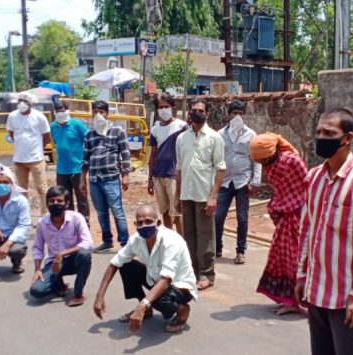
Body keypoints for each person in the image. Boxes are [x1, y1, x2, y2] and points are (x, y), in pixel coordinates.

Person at [294, 108, 353, 355]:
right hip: (315, 291)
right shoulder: (314, 178)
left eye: (329, 133)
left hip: (344, 297)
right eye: (319, 131)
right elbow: (307, 231)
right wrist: (301, 276)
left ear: (348, 138)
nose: (321, 137)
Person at [92, 204, 197, 334]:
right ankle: (147, 309)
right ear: (135, 224)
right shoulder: (136, 239)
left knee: (163, 301)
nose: (144, 226)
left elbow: (166, 280)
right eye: (140, 223)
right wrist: (99, 297)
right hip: (156, 279)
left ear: (158, 223)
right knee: (126, 266)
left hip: (180, 285)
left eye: (148, 221)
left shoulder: (171, 241)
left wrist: (141, 305)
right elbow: (115, 263)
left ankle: (182, 309)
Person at [249, 133, 308, 315]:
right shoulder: (271, 163)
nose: (261, 163)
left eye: (262, 159)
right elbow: (279, 190)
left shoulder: (292, 161)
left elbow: (306, 187)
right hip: (284, 215)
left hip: (299, 215)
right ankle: (289, 299)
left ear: (270, 152)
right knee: (281, 257)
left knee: (296, 259)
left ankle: (300, 300)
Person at [175, 99, 226, 290]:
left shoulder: (214, 138)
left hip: (205, 195)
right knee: (189, 236)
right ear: (189, 112)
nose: (197, 113)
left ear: (207, 114)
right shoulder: (182, 138)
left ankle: (207, 274)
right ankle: (192, 272)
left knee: (206, 237)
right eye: (194, 110)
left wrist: (213, 196)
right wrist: (177, 195)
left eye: (201, 110)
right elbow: (179, 168)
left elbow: (221, 169)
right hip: (187, 194)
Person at [80, 100, 132, 252]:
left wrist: (126, 175)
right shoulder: (89, 134)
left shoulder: (117, 130)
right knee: (101, 213)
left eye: (101, 112)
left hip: (111, 178)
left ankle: (125, 242)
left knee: (117, 210)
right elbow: (85, 158)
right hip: (94, 179)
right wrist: (82, 179)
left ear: (107, 113)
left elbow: (125, 153)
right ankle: (107, 241)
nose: (98, 115)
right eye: (95, 112)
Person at [30, 186, 93, 307]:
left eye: (59, 201)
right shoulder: (42, 223)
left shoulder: (76, 218)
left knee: (84, 255)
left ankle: (78, 294)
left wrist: (62, 254)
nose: (55, 204)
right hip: (54, 264)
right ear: (47, 203)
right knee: (36, 291)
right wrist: (37, 269)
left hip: (75, 260)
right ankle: (59, 285)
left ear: (67, 203)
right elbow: (37, 248)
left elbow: (88, 242)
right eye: (52, 201)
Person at [214, 100, 261, 264]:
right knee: (218, 216)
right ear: (229, 115)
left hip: (243, 181)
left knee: (242, 218)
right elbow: (216, 158)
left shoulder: (251, 134)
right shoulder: (220, 134)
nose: (237, 116)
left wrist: (255, 182)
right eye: (235, 113)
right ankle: (217, 247)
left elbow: (256, 160)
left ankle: (241, 251)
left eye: (241, 114)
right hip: (225, 181)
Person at [6, 92, 51, 215]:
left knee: (42, 189)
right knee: (21, 190)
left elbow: (47, 136)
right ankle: (24, 215)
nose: (22, 103)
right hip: (19, 160)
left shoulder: (39, 116)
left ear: (31, 103)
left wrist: (37, 148)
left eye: (25, 101)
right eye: (20, 100)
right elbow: (11, 133)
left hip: (36, 159)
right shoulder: (12, 116)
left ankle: (45, 215)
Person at [147, 93, 187, 233]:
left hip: (174, 176)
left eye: (166, 106)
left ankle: (182, 245)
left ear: (172, 107)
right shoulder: (155, 129)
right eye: (161, 107)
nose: (163, 109)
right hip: (158, 175)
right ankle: (171, 241)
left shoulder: (182, 126)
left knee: (177, 213)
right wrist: (150, 179)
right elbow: (152, 155)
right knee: (164, 212)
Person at [50, 101, 90, 223]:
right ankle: (70, 223)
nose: (59, 112)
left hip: (77, 168)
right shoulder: (53, 126)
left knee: (82, 198)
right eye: (57, 110)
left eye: (62, 110)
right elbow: (56, 142)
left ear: (67, 110)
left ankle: (84, 223)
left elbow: (88, 142)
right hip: (61, 170)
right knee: (65, 199)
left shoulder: (77, 125)